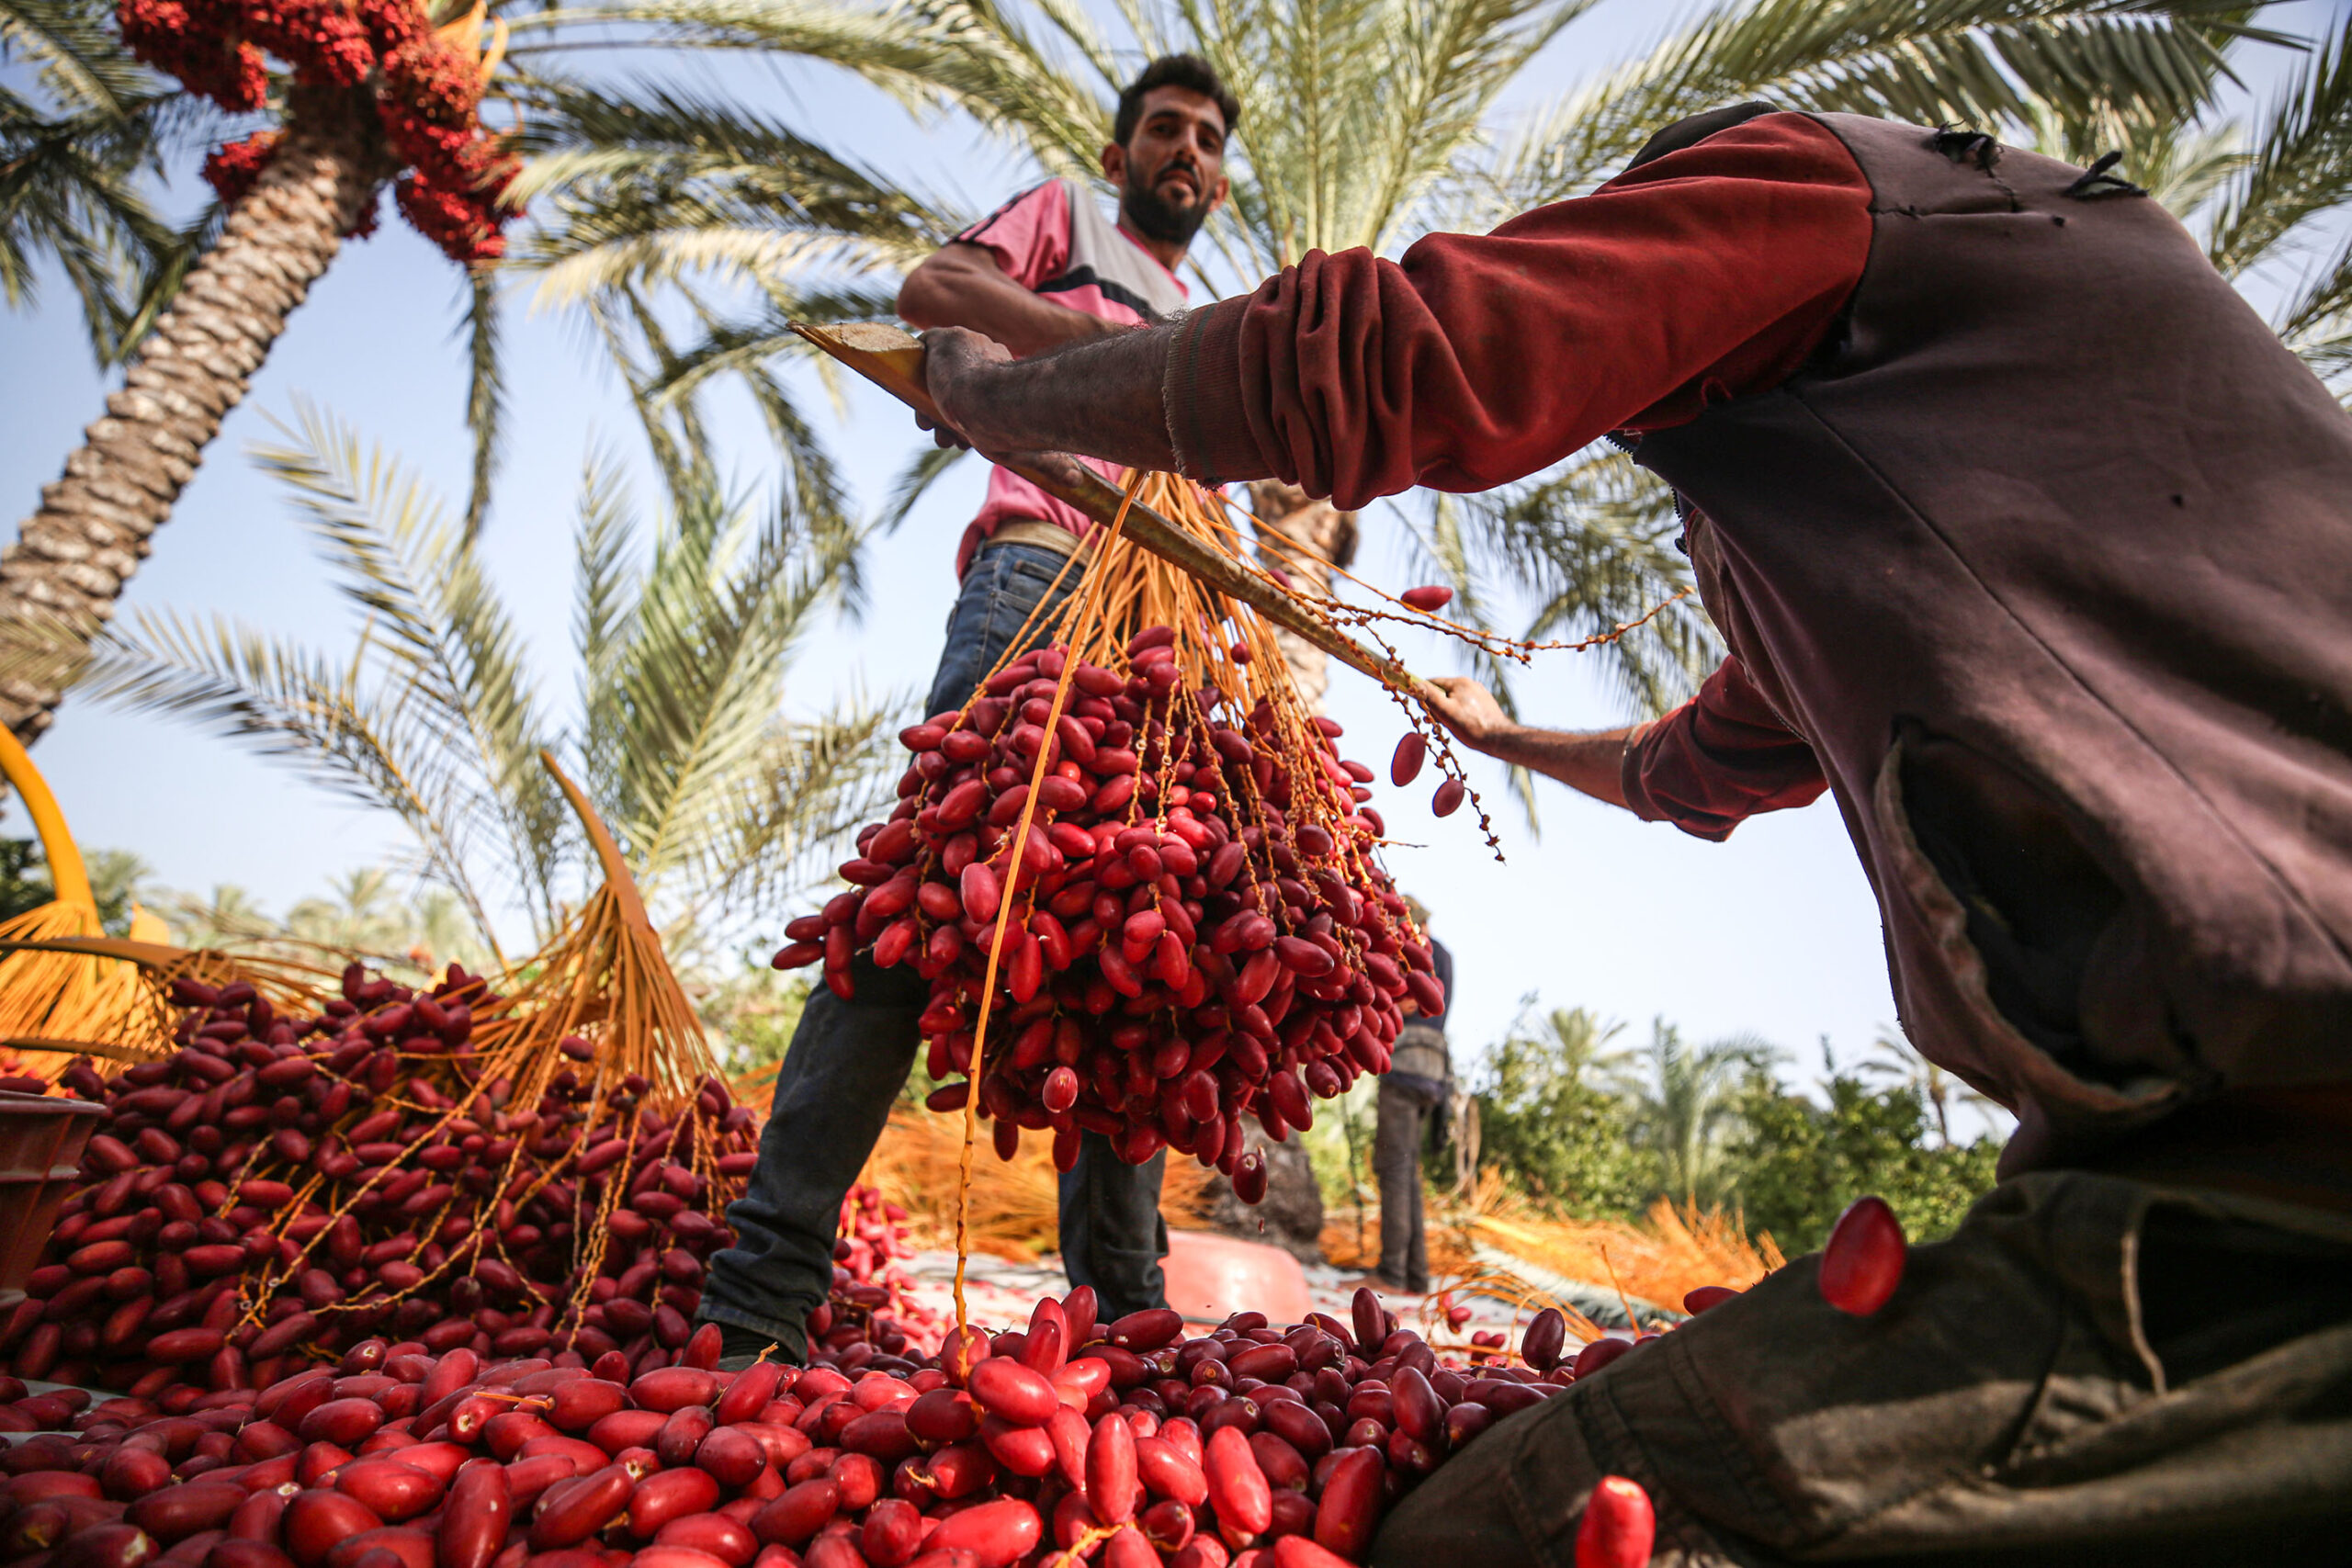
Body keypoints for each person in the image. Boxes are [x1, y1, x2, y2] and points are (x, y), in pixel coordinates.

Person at [910, 103, 2352, 1563]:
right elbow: (1705, 765)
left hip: (2264, 1184)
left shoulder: (1817, 188)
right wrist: (1492, 734)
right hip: (2236, 1163)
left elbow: (1398, 359)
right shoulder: (2021, 370)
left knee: (1451, 1535)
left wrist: (1004, 399)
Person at [696, 54, 1239, 1369]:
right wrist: (1118, 355)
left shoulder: (1212, 314)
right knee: (927, 892)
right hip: (1042, 571)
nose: (1187, 151)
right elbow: (936, 291)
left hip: (1168, 634)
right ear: (1121, 157)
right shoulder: (1069, 217)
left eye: (1207, 140)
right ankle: (763, 1286)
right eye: (1164, 129)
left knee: (1142, 955)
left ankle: (1122, 1321)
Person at [1353, 897, 1453, 1296]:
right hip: (1434, 1069)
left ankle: (1391, 1273)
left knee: (1393, 1167)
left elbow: (1405, 999)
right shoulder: (1445, 954)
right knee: (1408, 1172)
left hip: (1406, 1065)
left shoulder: (1419, 951)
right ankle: (1416, 1276)